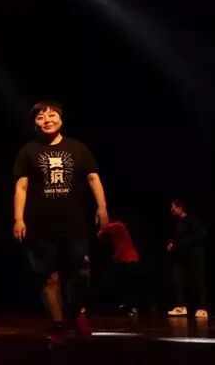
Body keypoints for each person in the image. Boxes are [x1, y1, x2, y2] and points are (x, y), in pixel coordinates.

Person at [13, 101, 109, 346]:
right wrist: (18, 219)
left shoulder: (77, 148)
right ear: (35, 124)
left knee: (82, 272)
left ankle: (76, 313)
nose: (47, 120)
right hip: (40, 224)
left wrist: (102, 207)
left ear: (61, 119)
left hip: (74, 223)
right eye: (40, 117)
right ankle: (58, 325)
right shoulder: (28, 151)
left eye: (52, 115)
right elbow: (21, 186)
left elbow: (93, 177)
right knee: (50, 278)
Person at [166, 199, 207, 319]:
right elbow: (177, 238)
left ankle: (202, 309)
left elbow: (202, 233)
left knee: (197, 281)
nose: (171, 210)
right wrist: (172, 243)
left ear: (180, 207)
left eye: (173, 207)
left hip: (194, 256)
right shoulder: (178, 222)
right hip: (182, 257)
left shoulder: (190, 220)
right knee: (177, 279)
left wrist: (185, 243)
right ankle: (181, 307)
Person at [97, 218, 141, 318]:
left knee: (130, 284)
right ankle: (126, 304)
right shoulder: (113, 233)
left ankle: (132, 306)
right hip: (124, 260)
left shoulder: (118, 226)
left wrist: (101, 230)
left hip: (130, 259)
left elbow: (105, 229)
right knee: (123, 282)